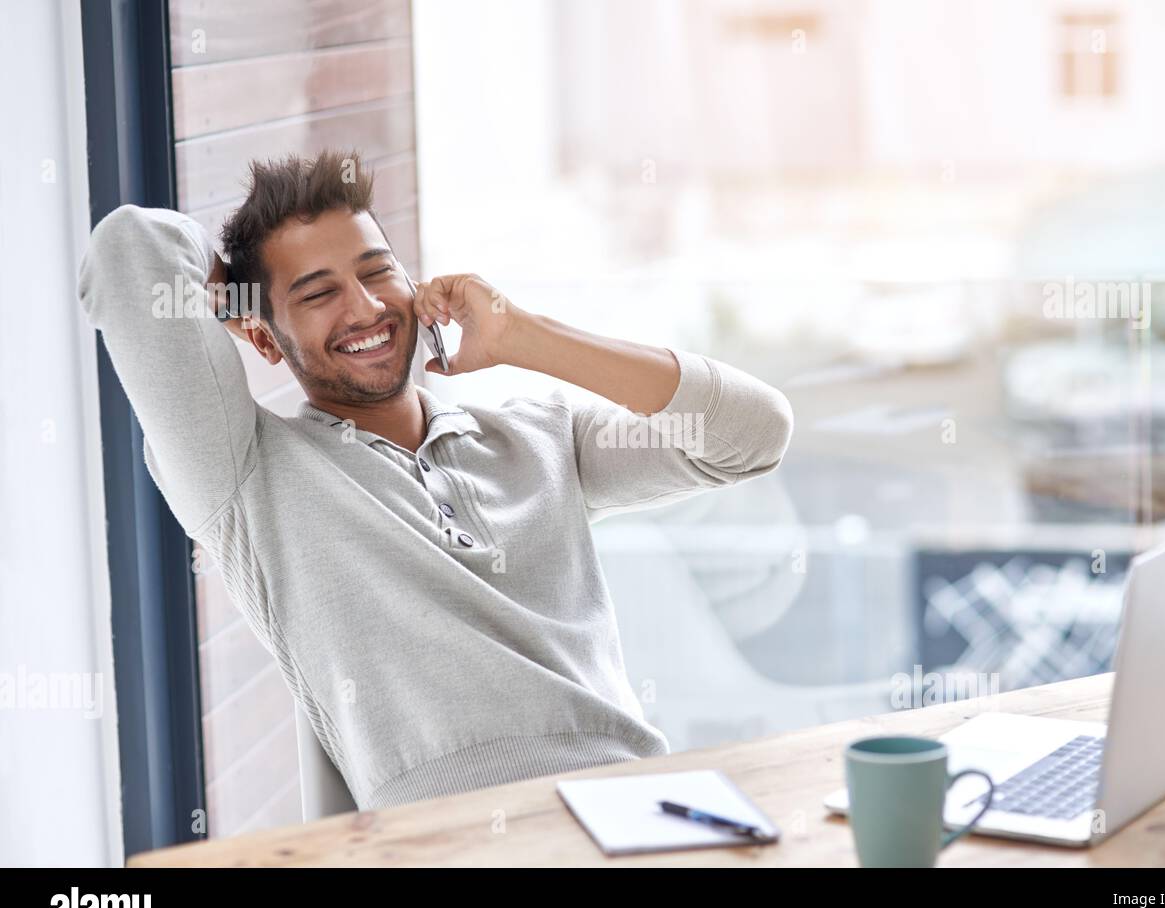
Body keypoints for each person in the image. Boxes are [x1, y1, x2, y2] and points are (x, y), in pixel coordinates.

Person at [77, 148, 794, 811]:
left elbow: (753, 435)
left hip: (636, 808)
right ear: (264, 336)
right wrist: (244, 301)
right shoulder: (249, 480)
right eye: (318, 292)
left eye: (376, 270)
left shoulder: (542, 437)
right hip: (445, 840)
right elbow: (128, 251)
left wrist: (521, 334)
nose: (363, 307)